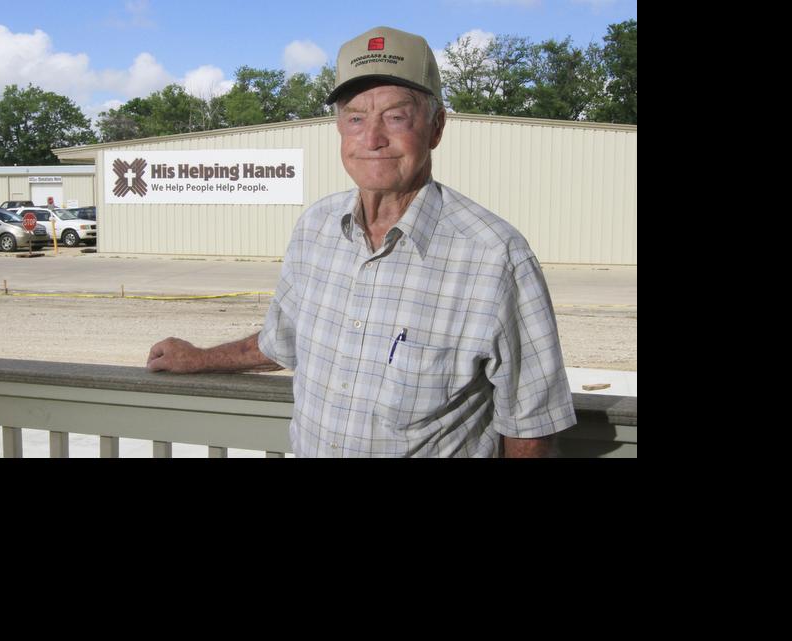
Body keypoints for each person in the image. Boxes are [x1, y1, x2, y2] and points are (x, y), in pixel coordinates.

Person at [147, 26, 575, 457]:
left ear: (436, 127)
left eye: (395, 116)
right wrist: (200, 358)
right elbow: (282, 341)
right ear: (339, 129)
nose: (371, 139)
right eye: (356, 117)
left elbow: (531, 427)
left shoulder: (495, 256)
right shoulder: (316, 227)